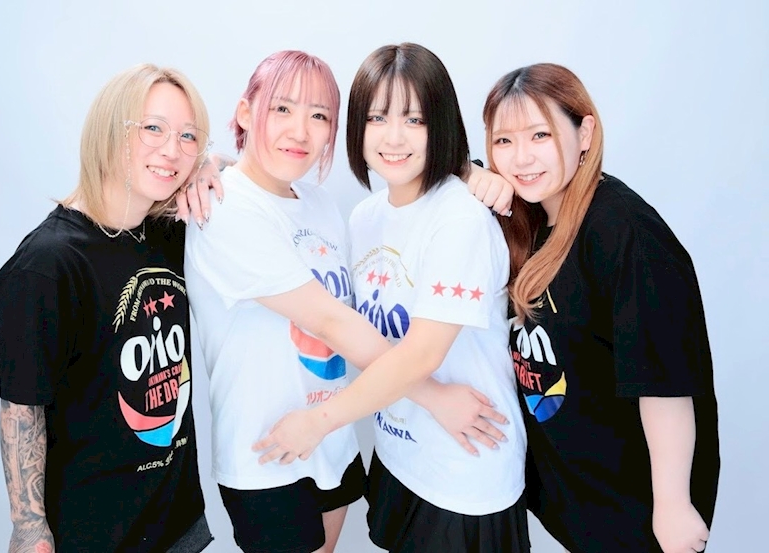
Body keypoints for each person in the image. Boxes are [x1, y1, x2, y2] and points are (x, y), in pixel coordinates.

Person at [183, 49, 513, 553]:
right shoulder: (225, 207)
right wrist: (435, 397)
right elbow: (331, 321)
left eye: (319, 116)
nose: (300, 130)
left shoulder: (324, 206)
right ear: (246, 112)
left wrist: (467, 171)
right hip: (272, 449)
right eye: (282, 108)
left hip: (342, 446)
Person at [482, 63, 720, 553]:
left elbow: (664, 382)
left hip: (633, 509)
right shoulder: (531, 217)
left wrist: (673, 504)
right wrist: (471, 175)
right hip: (578, 501)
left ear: (584, 132)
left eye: (540, 135)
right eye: (503, 141)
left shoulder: (625, 231)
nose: (521, 158)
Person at [0, 63, 215, 552]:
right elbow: (22, 408)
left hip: (176, 521)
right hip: (95, 533)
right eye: (153, 128)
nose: (172, 150)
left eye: (188, 135)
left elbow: (244, 172)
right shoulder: (46, 264)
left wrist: (210, 166)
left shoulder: (167, 229)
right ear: (109, 131)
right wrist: (29, 528)